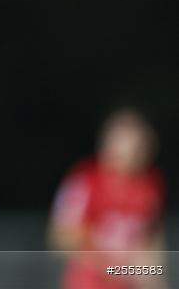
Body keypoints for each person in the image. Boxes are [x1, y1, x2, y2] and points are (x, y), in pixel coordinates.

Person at [49, 108, 166, 289]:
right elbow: (61, 238)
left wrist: (154, 276)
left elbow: (151, 238)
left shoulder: (151, 185)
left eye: (140, 146)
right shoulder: (85, 181)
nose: (135, 153)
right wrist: (113, 266)